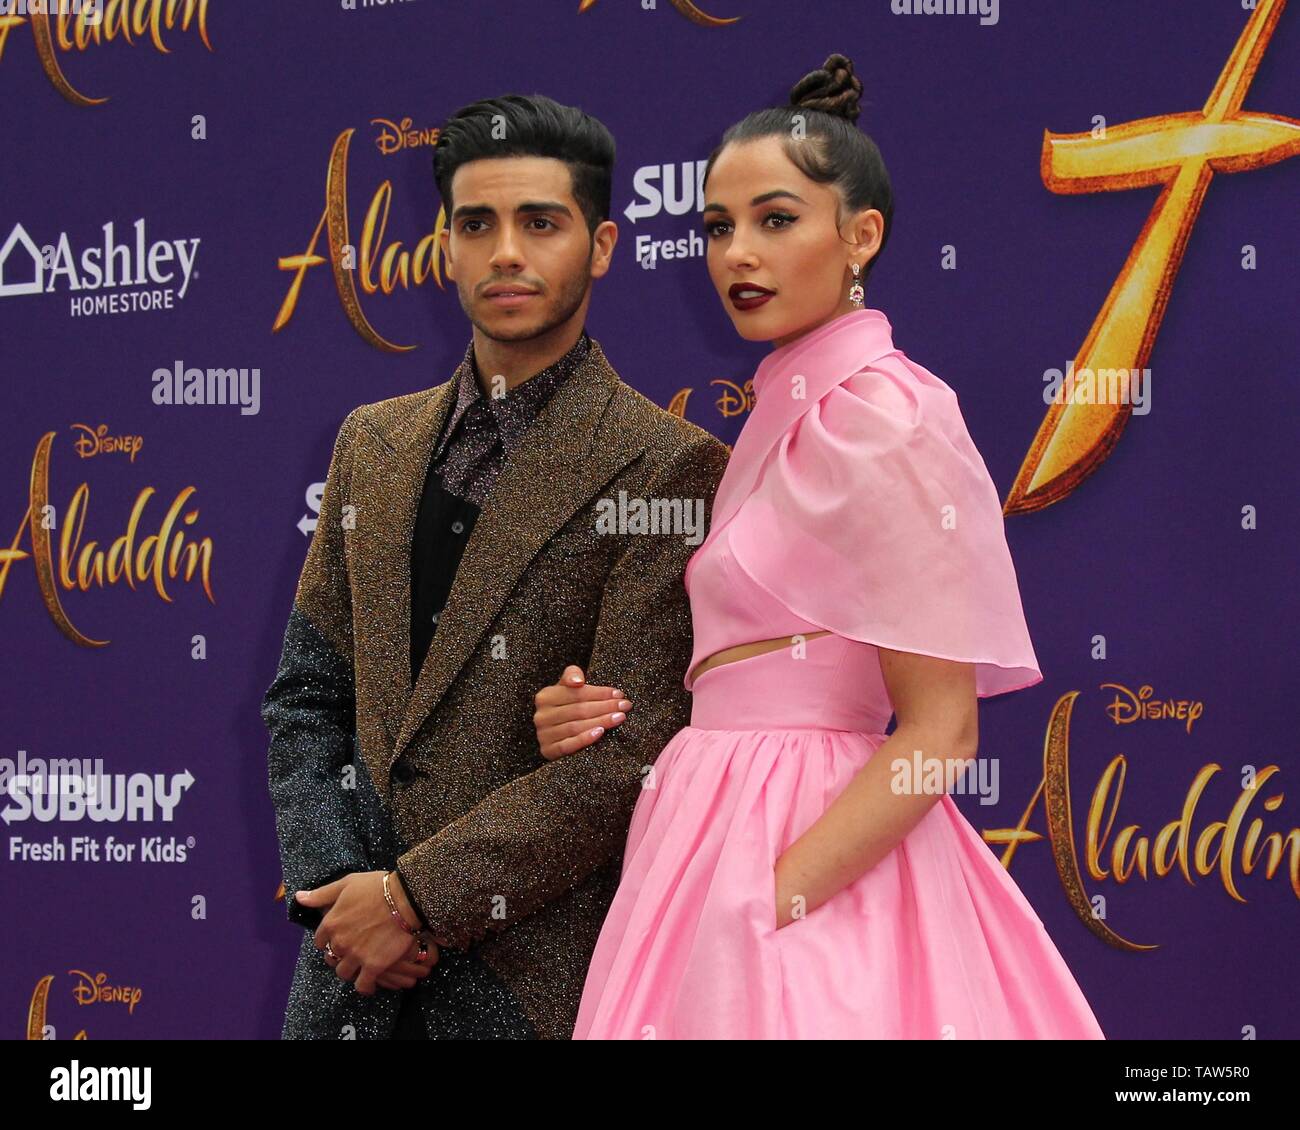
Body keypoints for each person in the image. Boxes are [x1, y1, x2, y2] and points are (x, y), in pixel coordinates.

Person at [532, 55, 1107, 1039]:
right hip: (703, 837)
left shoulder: (886, 416)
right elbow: (747, 664)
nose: (736, 254)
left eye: (776, 218)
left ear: (860, 236)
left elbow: (941, 734)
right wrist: (598, 710)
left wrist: (768, 899)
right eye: (717, 227)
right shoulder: (776, 416)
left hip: (809, 859)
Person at [262, 92, 730, 1039]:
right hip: (350, 986)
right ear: (445, 247)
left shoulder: (671, 464)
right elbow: (307, 697)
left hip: (532, 985)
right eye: (477, 224)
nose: (506, 252)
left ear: (601, 246)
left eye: (541, 223)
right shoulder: (371, 443)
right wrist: (336, 894)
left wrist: (414, 902)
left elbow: (629, 764)